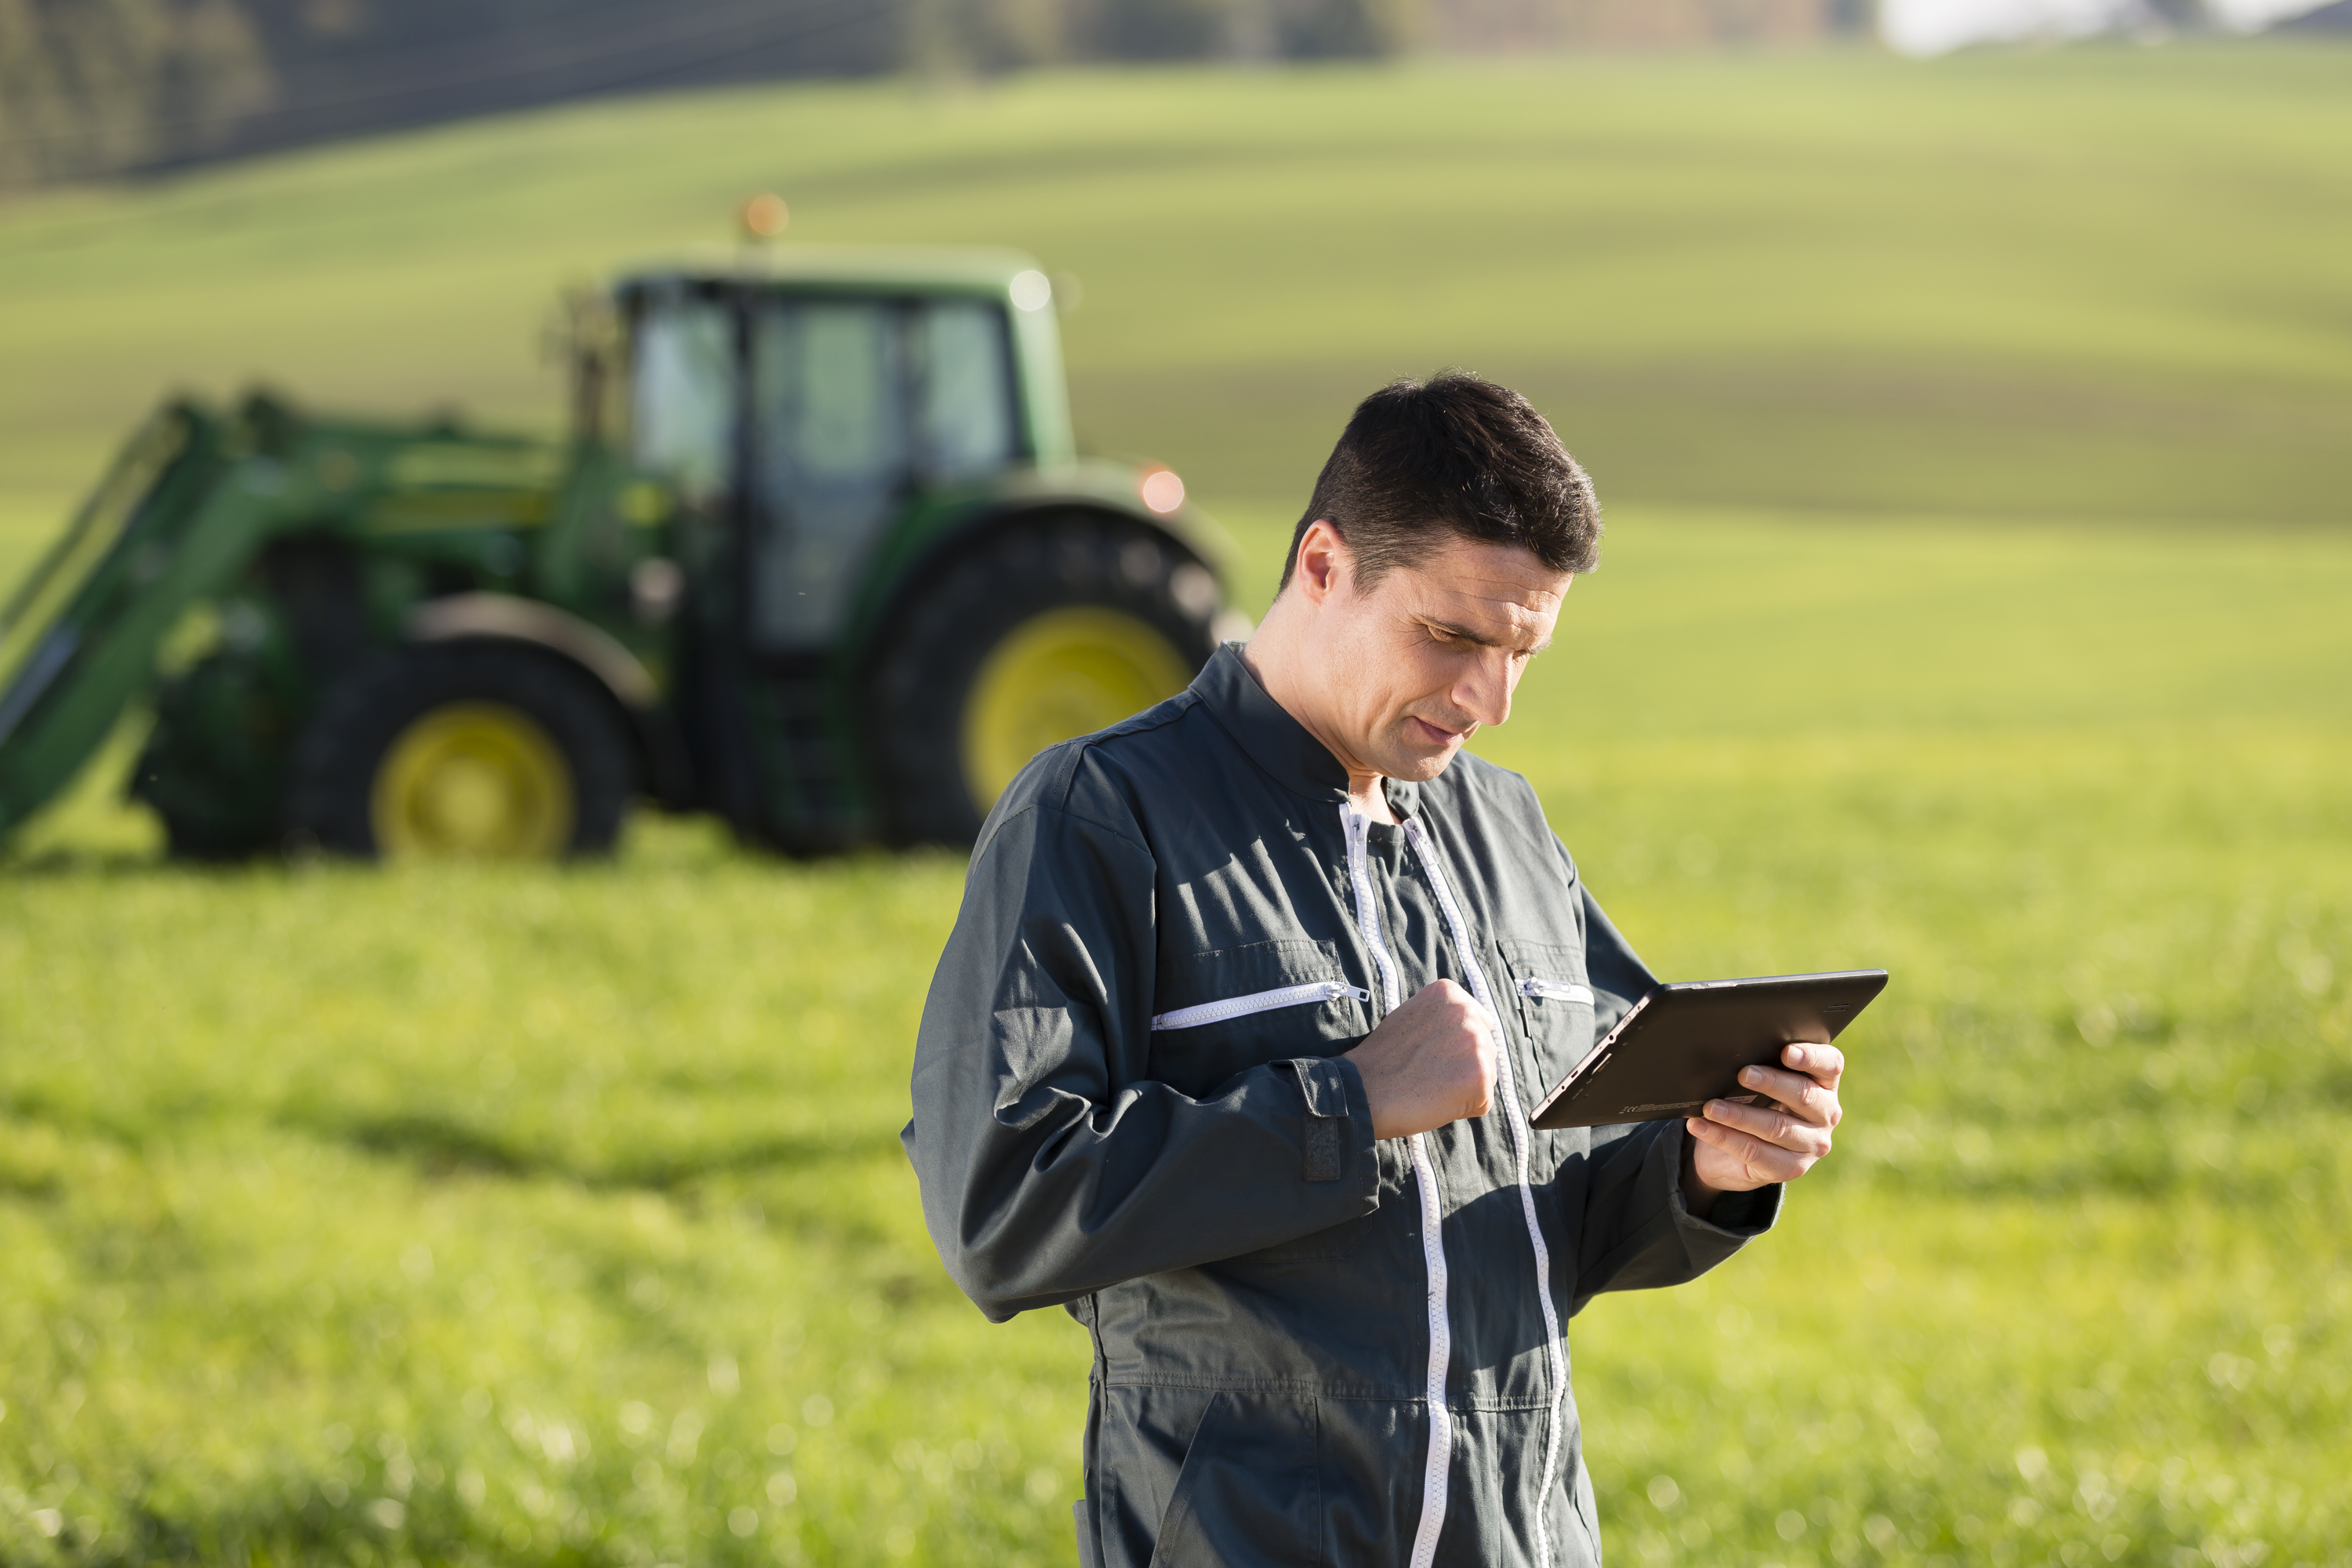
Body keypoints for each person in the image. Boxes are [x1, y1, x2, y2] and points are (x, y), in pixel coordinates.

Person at [902, 372, 1847, 1568]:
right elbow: (999, 1205)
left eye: (1523, 651)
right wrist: (1348, 1104)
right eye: (1451, 636)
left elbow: (1562, 1224)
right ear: (1321, 565)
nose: (1488, 700)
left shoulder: (1508, 829)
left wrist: (1708, 1171)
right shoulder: (1103, 814)